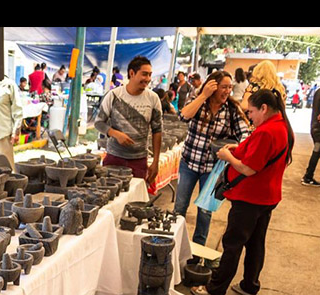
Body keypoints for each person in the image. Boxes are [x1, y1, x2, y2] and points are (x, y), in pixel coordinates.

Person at [190, 89, 294, 295]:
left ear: (264, 108)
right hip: (267, 196)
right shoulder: (280, 125)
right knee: (255, 242)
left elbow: (249, 169)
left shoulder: (267, 131)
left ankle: (216, 290)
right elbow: (261, 153)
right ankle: (249, 286)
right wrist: (241, 147)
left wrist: (228, 156)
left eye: (252, 112)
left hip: (250, 197)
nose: (250, 117)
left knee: (233, 243)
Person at [174, 70, 251, 248]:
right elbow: (183, 116)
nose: (227, 91)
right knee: (179, 208)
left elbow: (244, 135)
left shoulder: (232, 108)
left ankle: (197, 251)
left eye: (230, 87)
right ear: (213, 86)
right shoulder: (197, 100)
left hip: (213, 169)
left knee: (205, 212)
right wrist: (203, 95)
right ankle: (174, 244)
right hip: (189, 163)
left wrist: (234, 149)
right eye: (224, 87)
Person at [94, 55, 163, 183]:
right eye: (144, 74)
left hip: (139, 160)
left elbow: (157, 130)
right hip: (114, 158)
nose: (148, 79)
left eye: (149, 75)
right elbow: (98, 123)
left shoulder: (153, 98)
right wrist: (115, 134)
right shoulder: (114, 95)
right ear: (132, 73)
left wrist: (156, 161)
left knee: (135, 201)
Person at [301, 86, 320, 186]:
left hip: (315, 127)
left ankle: (308, 176)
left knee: (316, 152)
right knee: (317, 152)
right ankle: (308, 177)